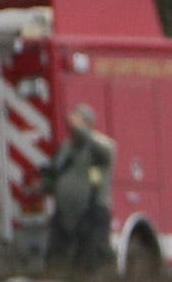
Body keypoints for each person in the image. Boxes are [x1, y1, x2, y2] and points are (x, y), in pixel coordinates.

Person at [43, 105, 117, 270]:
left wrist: (80, 130)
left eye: (78, 119)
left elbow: (102, 161)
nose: (71, 123)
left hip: (92, 211)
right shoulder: (67, 147)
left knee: (91, 259)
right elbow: (58, 171)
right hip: (65, 212)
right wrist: (46, 185)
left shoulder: (102, 145)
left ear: (88, 123)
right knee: (58, 257)